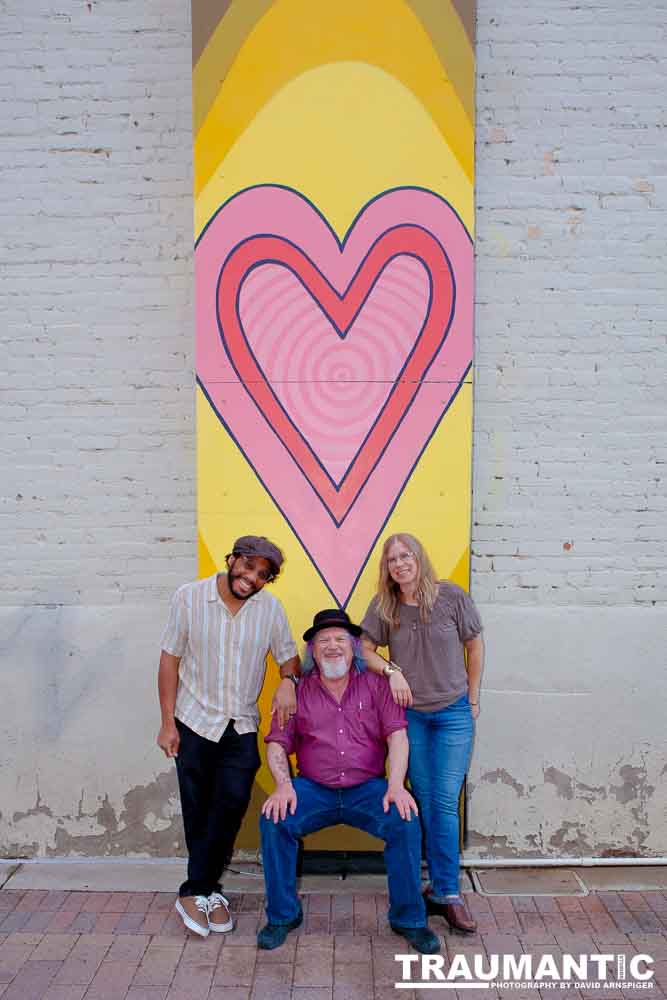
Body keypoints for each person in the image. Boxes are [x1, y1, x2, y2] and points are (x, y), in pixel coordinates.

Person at [257, 608, 440, 954]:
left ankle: (409, 918)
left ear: (354, 646)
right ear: (312, 650)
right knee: (274, 818)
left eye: (340, 638)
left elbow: (398, 737)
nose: (332, 646)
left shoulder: (376, 685)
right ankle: (282, 915)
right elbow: (278, 743)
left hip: (367, 789)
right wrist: (284, 785)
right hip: (314, 790)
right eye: (323, 640)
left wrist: (396, 785)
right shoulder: (296, 692)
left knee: (405, 819)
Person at [157, 535, 300, 938]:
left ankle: (197, 888)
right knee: (197, 807)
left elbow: (288, 656)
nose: (251, 577)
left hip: (241, 724)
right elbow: (169, 660)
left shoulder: (270, 609)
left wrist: (289, 680)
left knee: (232, 802)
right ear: (232, 558)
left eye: (262, 574)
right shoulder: (189, 597)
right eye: (247, 566)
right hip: (193, 721)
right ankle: (205, 890)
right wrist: (167, 722)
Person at [360, 533, 484, 934]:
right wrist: (391, 670)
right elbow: (363, 650)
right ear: (387, 568)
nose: (400, 563)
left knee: (444, 803)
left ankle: (448, 892)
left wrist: (474, 696)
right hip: (409, 717)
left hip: (452, 714)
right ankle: (430, 889)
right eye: (392, 559)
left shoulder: (451, 596)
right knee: (425, 801)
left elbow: (475, 643)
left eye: (406, 555)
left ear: (419, 557)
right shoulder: (385, 606)